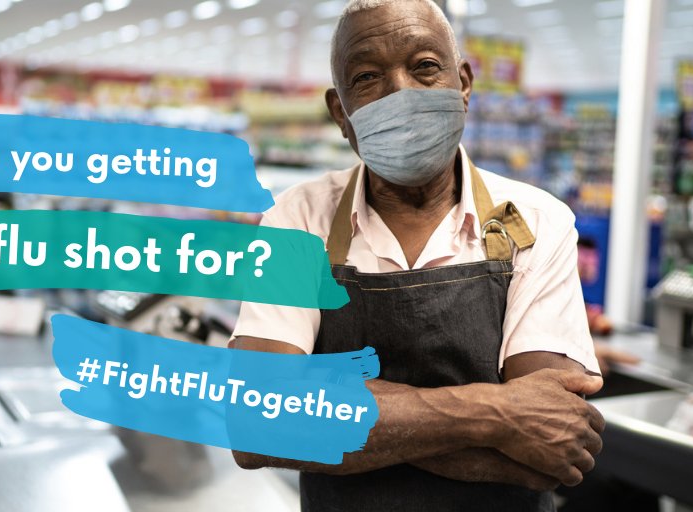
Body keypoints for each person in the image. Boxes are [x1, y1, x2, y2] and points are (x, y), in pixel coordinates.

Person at [229, 1, 605, 510]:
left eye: (425, 66)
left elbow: (548, 450)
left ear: (463, 84)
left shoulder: (537, 222)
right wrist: (496, 413)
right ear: (342, 113)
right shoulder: (298, 220)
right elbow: (256, 423)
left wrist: (330, 412)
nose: (401, 92)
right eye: (367, 77)